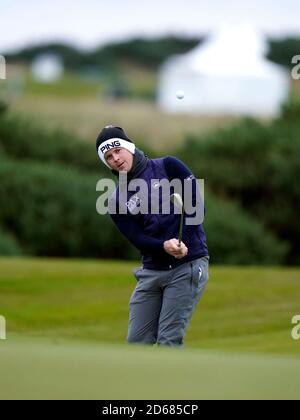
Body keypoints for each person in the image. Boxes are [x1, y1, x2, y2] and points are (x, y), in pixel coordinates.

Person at [96, 125, 209, 347]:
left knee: (169, 339)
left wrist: (183, 241)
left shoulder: (169, 166)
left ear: (129, 147)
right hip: (151, 272)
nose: (116, 158)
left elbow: (196, 208)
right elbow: (138, 239)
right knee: (137, 342)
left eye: (118, 150)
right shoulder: (115, 200)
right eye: (108, 156)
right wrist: (163, 246)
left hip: (187, 265)